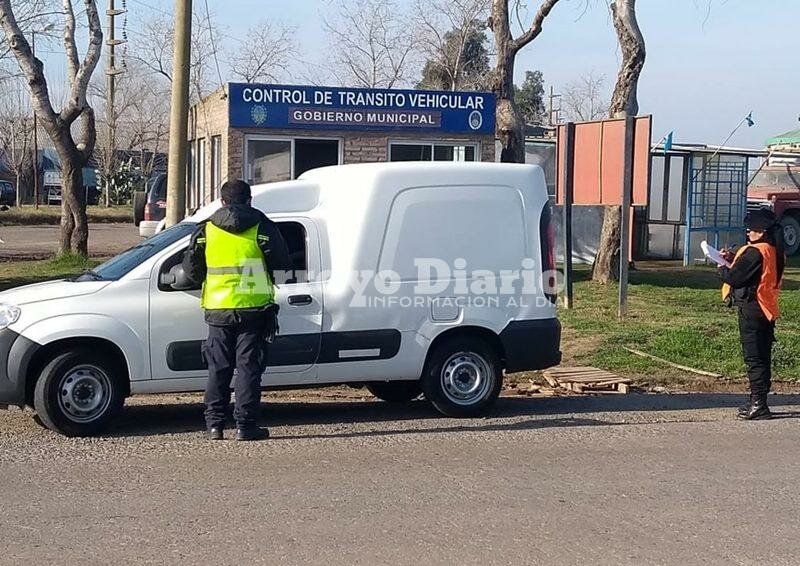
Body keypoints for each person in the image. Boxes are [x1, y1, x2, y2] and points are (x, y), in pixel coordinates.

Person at [183, 179, 291, 440]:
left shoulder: (207, 230)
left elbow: (191, 269)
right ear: (249, 200)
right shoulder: (262, 227)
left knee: (218, 367)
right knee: (248, 368)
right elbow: (283, 265)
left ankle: (214, 425)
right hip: (253, 309)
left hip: (218, 309)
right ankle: (245, 426)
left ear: (222, 202)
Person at [718, 208, 785, 420]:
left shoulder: (756, 251)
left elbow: (736, 277)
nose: (749, 233)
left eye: (752, 229)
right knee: (762, 356)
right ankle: (758, 400)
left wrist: (720, 266)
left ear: (763, 231)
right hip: (766, 308)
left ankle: (759, 404)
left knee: (754, 358)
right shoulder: (774, 249)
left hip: (752, 308)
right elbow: (750, 269)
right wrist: (733, 258)